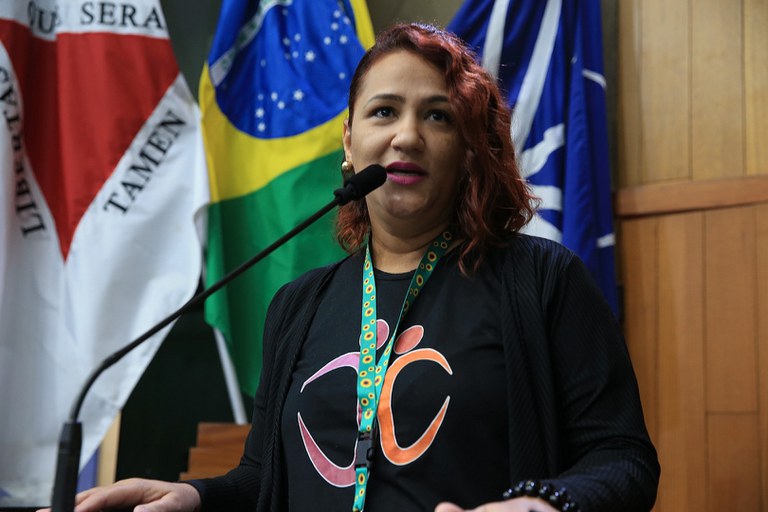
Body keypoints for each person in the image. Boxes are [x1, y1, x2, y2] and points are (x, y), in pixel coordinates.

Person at [42, 22, 659, 512]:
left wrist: (540, 504)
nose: (407, 136)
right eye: (384, 111)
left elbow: (623, 459)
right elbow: (264, 477)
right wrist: (195, 496)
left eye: (438, 115)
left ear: (469, 150)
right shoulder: (298, 306)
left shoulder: (542, 280)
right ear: (348, 142)